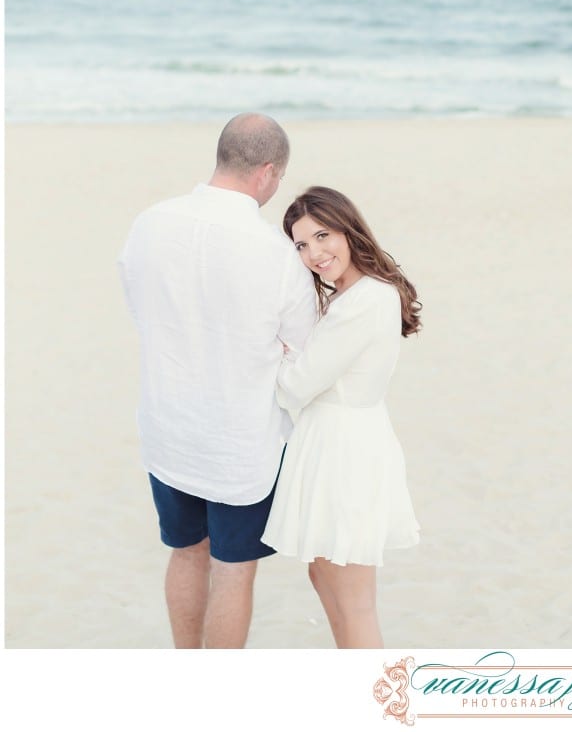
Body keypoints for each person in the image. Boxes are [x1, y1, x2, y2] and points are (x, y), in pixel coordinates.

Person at [118, 113, 317, 648]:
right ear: (268, 173)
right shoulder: (277, 254)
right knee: (233, 568)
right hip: (239, 441)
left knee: (185, 552)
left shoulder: (150, 222)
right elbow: (304, 348)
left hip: (168, 425)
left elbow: (139, 304)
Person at [261, 186, 421, 648]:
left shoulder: (367, 299)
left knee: (353, 599)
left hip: (345, 448)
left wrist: (280, 353)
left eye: (323, 235)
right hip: (333, 441)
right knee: (323, 572)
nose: (314, 253)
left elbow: (295, 385)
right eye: (301, 244)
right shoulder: (347, 296)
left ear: (348, 229)